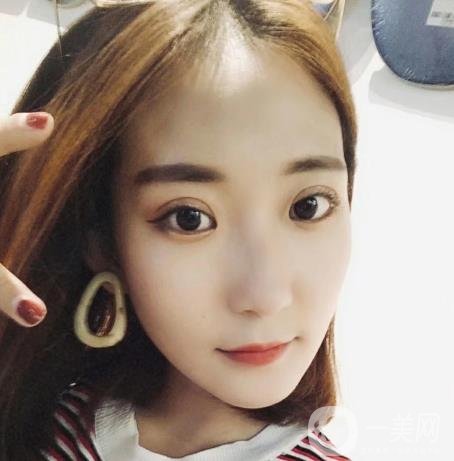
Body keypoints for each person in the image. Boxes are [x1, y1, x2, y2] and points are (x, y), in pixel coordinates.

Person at [0, 0, 357, 459]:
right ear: (101, 238)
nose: (265, 295)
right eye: (189, 218)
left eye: (308, 207)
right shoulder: (44, 424)